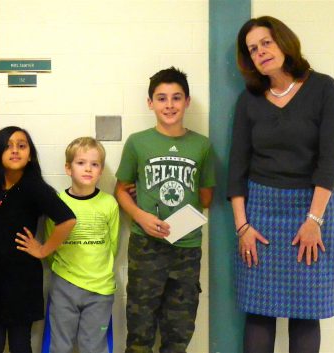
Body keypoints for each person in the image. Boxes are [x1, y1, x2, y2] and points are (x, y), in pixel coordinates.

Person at [228, 16, 334, 353]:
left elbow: (330, 158)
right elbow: (237, 167)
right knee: (259, 311)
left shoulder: (323, 88)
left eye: (266, 42)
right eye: (253, 49)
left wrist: (314, 221)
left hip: (312, 211)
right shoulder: (249, 100)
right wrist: (242, 226)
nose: (261, 52)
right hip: (259, 213)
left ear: (283, 42)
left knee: (306, 311)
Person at [115, 67, 215, 353]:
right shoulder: (137, 142)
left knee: (179, 333)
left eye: (176, 98)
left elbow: (206, 198)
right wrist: (141, 215)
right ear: (150, 103)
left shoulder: (202, 146)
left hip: (186, 247)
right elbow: (121, 190)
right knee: (139, 329)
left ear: (187, 101)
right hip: (146, 246)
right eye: (161, 98)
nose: (169, 105)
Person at [0, 126, 76, 353]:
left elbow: (67, 220)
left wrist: (43, 250)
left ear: (30, 154)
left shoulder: (34, 187)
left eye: (21, 146)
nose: (15, 151)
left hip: (22, 280)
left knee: (21, 343)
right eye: (8, 146)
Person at [19, 137, 119, 353]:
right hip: (64, 285)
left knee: (93, 346)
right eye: (81, 163)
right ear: (68, 168)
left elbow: (112, 245)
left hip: (100, 289)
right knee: (60, 345)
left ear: (101, 171)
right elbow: (52, 244)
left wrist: (98, 271)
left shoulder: (109, 203)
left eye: (95, 164)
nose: (88, 169)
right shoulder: (57, 202)